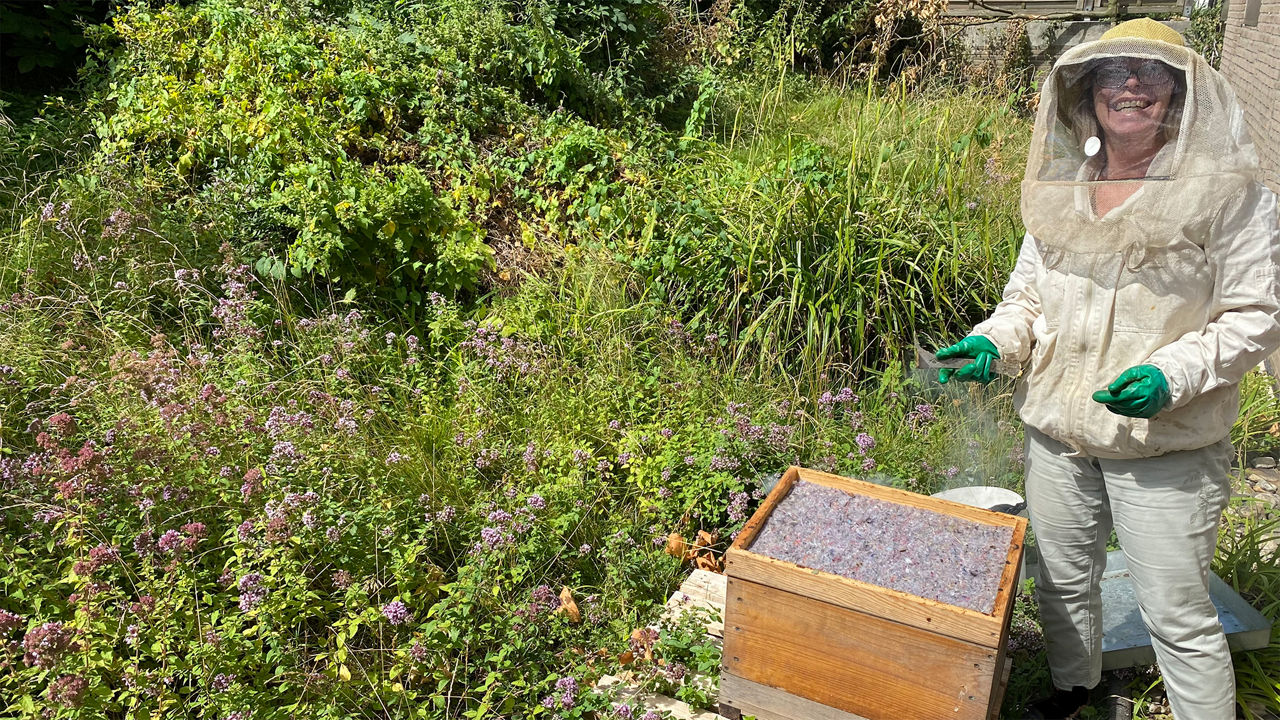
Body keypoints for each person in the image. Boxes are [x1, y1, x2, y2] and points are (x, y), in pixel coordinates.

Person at [934, 18, 1280, 720]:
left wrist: (1172, 376)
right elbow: (1026, 298)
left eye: (1149, 73)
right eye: (1112, 73)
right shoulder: (1065, 187)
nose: (1129, 86)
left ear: (1180, 94)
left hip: (1165, 444)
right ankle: (1076, 691)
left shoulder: (1230, 195)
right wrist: (993, 344)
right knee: (1059, 583)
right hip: (1058, 432)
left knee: (1177, 614)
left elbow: (1256, 315)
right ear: (1087, 95)